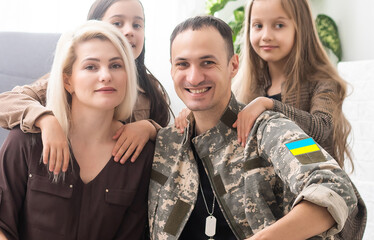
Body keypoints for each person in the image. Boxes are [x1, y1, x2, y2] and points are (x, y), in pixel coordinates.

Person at [148, 15, 366, 240]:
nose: (193, 77)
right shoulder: (166, 143)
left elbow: (336, 185)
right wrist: (147, 127)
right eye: (182, 64)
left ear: (233, 65)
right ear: (172, 70)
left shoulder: (271, 129)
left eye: (208, 62)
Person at [0, 20, 153, 240]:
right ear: (67, 81)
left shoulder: (141, 155)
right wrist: (48, 121)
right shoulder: (25, 141)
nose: (106, 75)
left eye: (116, 65)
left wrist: (150, 127)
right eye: (91, 66)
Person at [0, 0, 171, 175]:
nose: (129, 31)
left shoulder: (151, 90)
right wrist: (46, 120)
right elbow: (5, 101)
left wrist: (149, 128)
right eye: (117, 23)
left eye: (137, 25)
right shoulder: (61, 82)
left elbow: (170, 143)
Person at [230, 0, 352, 170]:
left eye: (279, 25)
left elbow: (322, 128)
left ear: (301, 28)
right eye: (258, 25)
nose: (266, 35)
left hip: (313, 188)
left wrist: (268, 104)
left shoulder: (323, 82)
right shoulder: (245, 86)